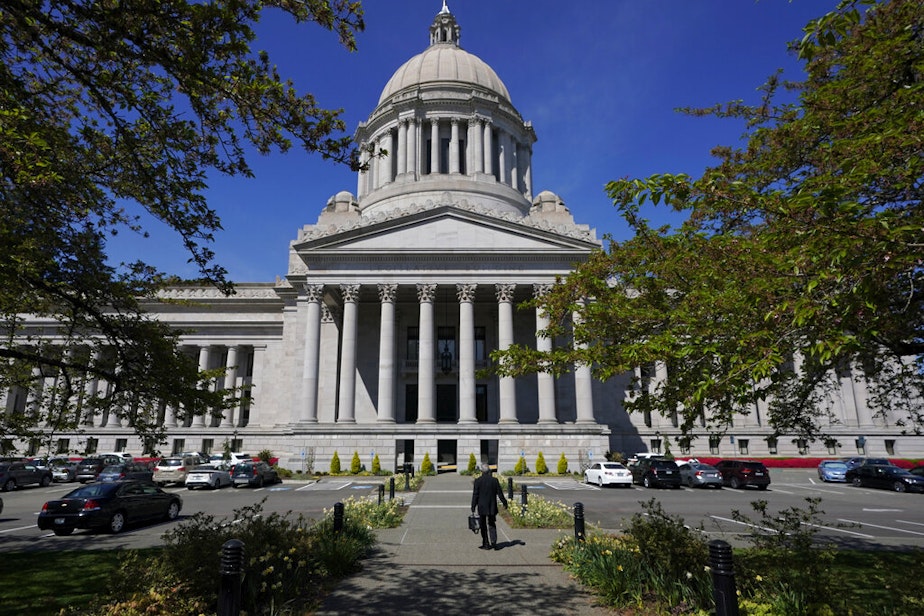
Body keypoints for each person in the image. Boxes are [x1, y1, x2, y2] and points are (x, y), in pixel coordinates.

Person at [471, 463, 508, 550]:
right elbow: (499, 493)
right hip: (492, 505)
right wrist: (504, 502)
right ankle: (494, 542)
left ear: (481, 471)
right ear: (489, 471)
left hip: (482, 506)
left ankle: (486, 543)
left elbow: (475, 495)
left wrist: (473, 506)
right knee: (492, 523)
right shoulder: (494, 480)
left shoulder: (478, 481)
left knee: (483, 525)